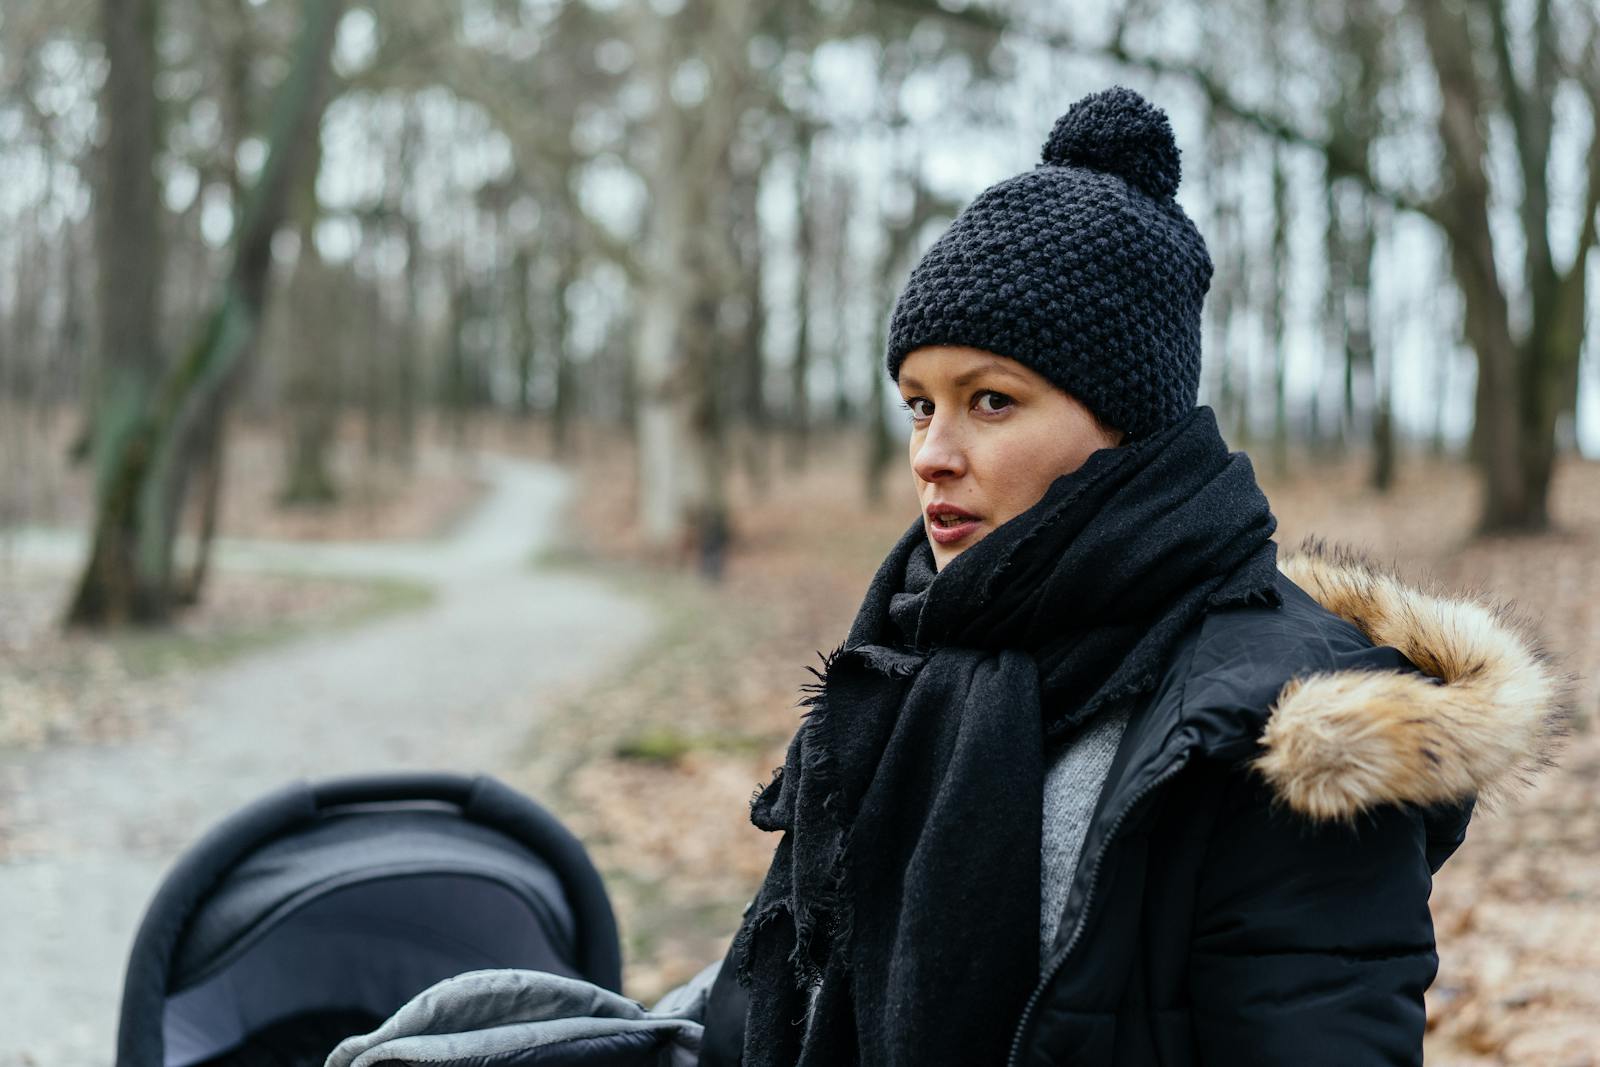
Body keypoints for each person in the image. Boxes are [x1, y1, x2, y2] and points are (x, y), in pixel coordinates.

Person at [689, 86, 1569, 1067]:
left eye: (989, 400)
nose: (932, 452)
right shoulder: (900, 658)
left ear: (1125, 422)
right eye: (916, 404)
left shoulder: (1285, 726)